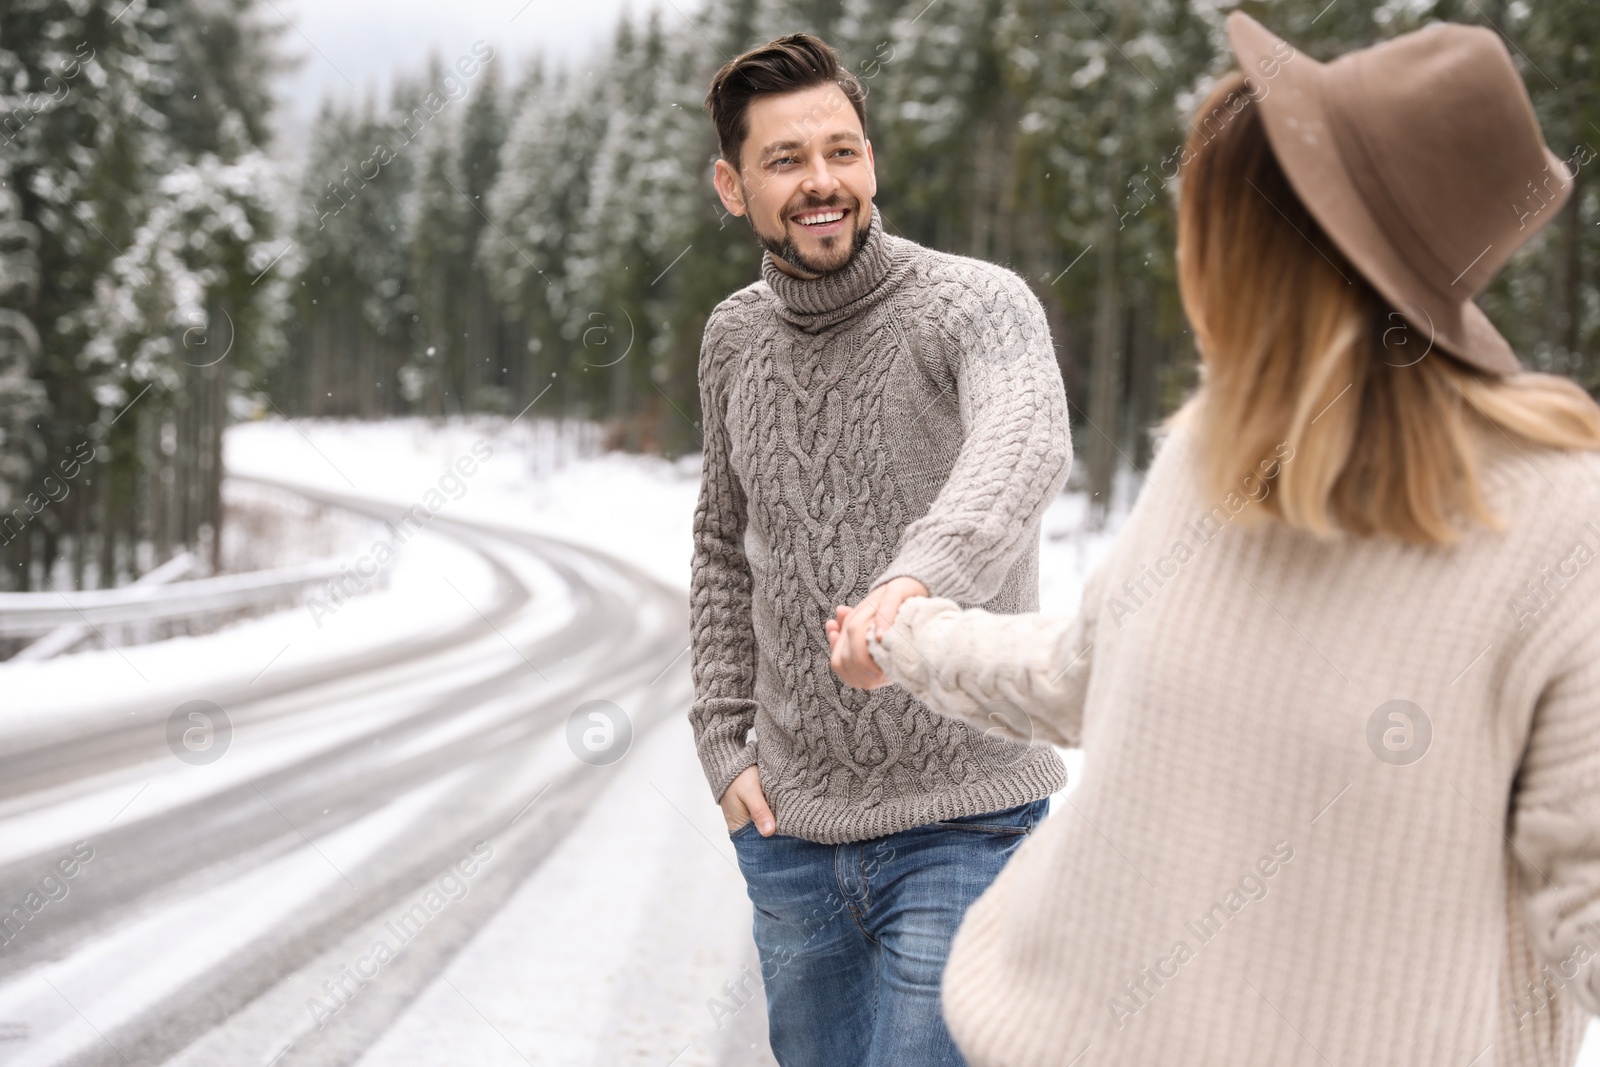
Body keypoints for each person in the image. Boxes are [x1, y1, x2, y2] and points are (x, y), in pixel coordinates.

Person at [854, 13, 1600, 1066]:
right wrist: (911, 635)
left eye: (1233, 218)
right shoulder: (1219, 451)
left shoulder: (1563, 525)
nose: (1195, 246)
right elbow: (1082, 671)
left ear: (1290, 257)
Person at [689, 32, 1072, 1067]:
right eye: (785, 160)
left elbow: (1023, 443)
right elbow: (724, 547)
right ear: (732, 185)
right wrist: (725, 745)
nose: (823, 182)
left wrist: (911, 585)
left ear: (870, 159)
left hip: (970, 823)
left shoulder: (974, 302)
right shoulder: (730, 338)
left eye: (843, 151)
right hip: (794, 844)